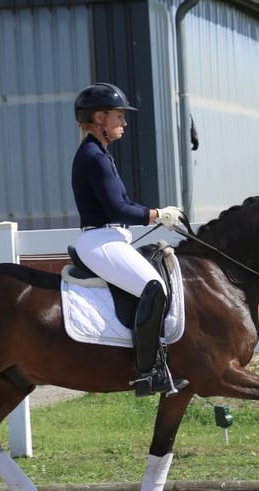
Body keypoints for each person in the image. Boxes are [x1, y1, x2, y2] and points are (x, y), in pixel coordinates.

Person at [71, 82, 186, 397]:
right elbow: (118, 208)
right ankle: (147, 372)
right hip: (100, 241)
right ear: (98, 118)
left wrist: (157, 213)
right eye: (119, 116)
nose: (124, 122)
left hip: (110, 239)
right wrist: (157, 214)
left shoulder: (100, 154)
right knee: (154, 287)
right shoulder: (93, 156)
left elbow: (124, 205)